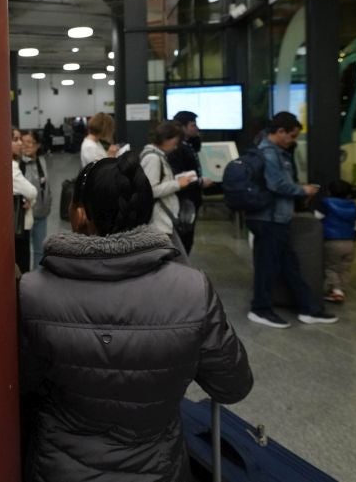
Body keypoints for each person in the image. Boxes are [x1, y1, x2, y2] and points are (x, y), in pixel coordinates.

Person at [19, 153, 253, 482]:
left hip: (60, 466)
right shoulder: (191, 289)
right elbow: (233, 385)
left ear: (80, 214)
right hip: (158, 468)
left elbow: (19, 384)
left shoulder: (33, 291)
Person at [246, 112, 338, 328]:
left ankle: (308, 308)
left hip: (276, 218)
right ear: (280, 132)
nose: (293, 141)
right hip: (269, 219)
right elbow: (277, 184)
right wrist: (302, 190)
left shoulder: (276, 152)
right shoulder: (269, 153)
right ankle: (260, 309)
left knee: (289, 265)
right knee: (268, 267)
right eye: (292, 136)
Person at [140, 121, 196, 262]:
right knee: (177, 264)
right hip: (160, 222)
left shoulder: (155, 156)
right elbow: (150, 190)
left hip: (163, 222)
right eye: (175, 141)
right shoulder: (153, 158)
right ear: (165, 139)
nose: (176, 146)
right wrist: (178, 183)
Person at [167, 110, 214, 255]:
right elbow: (177, 176)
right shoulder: (177, 149)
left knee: (188, 239)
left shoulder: (188, 145)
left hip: (192, 198)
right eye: (193, 125)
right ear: (182, 127)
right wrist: (199, 182)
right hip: (184, 200)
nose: (197, 128)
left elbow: (197, 147)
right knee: (184, 240)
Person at [315, 180, 356, 303]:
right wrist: (354, 239)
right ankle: (342, 289)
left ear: (329, 191)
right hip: (350, 242)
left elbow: (316, 218)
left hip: (332, 241)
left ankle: (336, 291)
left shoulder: (326, 203)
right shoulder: (353, 206)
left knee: (331, 267)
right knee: (345, 268)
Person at [20, 130, 51, 270]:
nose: (25, 146)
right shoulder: (17, 164)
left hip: (41, 213)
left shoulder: (41, 161)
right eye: (23, 142)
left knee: (40, 251)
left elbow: (45, 185)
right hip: (24, 216)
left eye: (29, 142)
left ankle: (36, 282)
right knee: (23, 253)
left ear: (37, 145)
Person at [12, 128, 37, 274]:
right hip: (19, 227)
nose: (20, 143)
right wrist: (30, 199)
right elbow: (32, 191)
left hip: (20, 225)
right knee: (22, 268)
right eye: (15, 140)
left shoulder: (18, 162)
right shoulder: (11, 167)